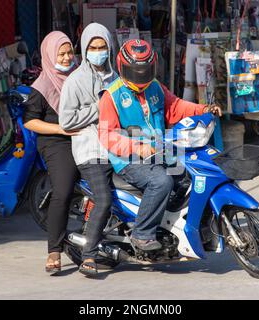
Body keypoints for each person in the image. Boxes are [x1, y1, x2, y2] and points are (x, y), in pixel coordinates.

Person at [99, 39, 222, 251]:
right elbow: (107, 135)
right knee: (161, 182)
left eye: (145, 71)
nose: (141, 77)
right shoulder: (111, 95)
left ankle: (176, 225)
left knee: (189, 177)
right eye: (136, 71)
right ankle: (142, 233)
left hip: (160, 151)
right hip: (128, 160)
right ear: (122, 67)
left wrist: (203, 109)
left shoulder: (155, 87)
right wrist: (138, 147)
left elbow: (175, 106)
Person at [59, 23, 118, 277]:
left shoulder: (117, 78)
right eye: (92, 47)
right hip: (90, 151)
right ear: (84, 50)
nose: (98, 51)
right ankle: (89, 256)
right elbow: (66, 120)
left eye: (102, 46)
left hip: (117, 147)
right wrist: (99, 107)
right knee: (104, 199)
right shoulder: (75, 81)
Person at [23, 31, 79, 274]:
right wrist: (62, 129)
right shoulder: (42, 86)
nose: (67, 58)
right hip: (56, 142)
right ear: (49, 54)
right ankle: (54, 250)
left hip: (85, 136)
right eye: (61, 53)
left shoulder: (81, 77)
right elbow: (30, 122)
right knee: (63, 190)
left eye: (70, 52)